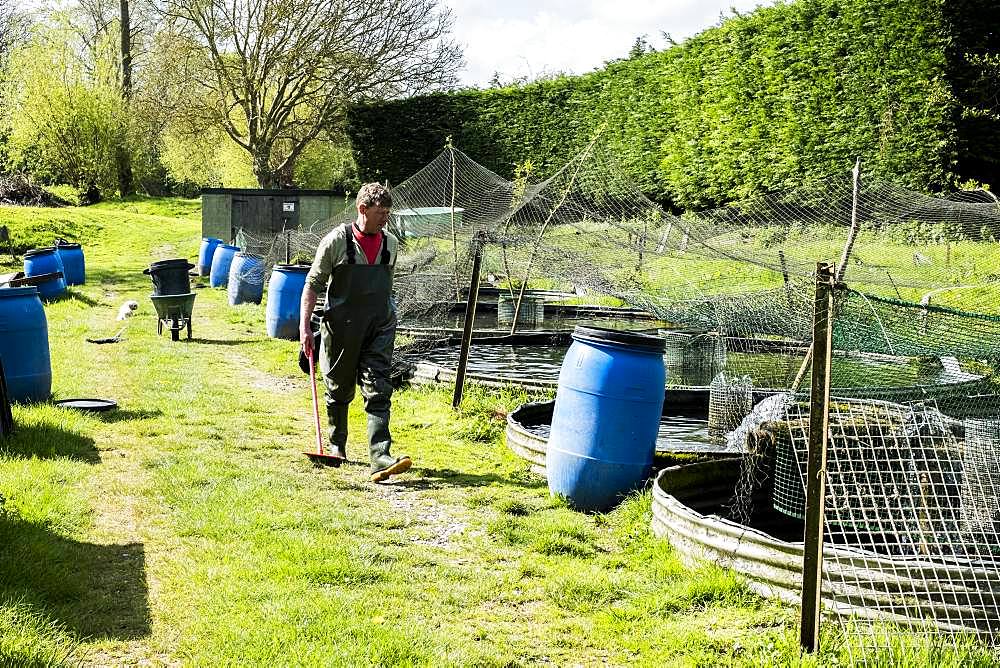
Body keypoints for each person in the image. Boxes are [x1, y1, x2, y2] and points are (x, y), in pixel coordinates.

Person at [299, 183, 412, 482]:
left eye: (388, 213)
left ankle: (380, 457)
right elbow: (312, 285)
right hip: (341, 328)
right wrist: (305, 327)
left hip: (380, 326)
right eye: (379, 213)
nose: (385, 219)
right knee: (338, 388)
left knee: (378, 388)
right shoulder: (336, 241)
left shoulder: (391, 243)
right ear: (362, 210)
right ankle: (337, 445)